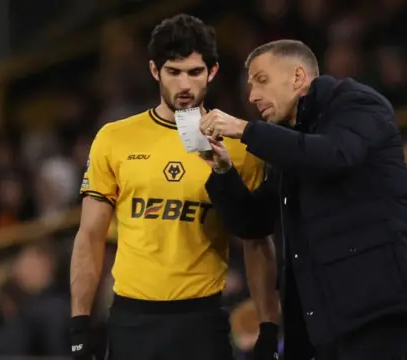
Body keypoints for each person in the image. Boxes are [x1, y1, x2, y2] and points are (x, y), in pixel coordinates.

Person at [198, 39, 407, 360]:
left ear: (298, 77)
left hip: (377, 311)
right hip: (325, 325)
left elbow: (336, 154)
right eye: (250, 87)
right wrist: (223, 170)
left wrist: (246, 131)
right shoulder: (291, 144)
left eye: (262, 81)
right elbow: (253, 223)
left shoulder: (357, 104)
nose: (252, 96)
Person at [69, 14, 280, 360]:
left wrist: (268, 326)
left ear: (211, 72)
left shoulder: (240, 146)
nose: (185, 84)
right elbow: (90, 235)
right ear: (155, 71)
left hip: (202, 321)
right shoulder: (114, 138)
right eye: (174, 71)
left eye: (195, 72)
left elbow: (257, 242)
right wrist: (79, 325)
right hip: (130, 321)